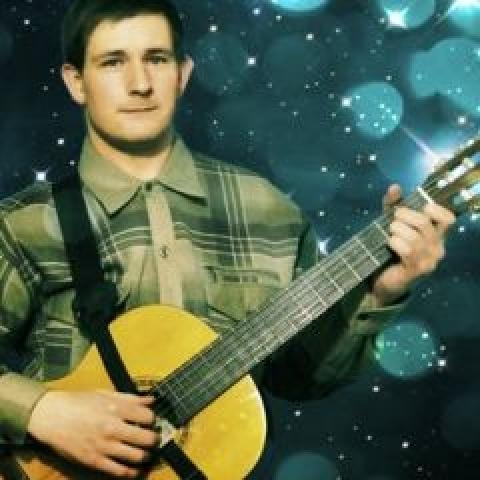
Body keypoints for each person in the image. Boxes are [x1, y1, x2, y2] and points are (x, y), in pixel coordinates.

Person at [0, 0, 455, 478]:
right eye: (113, 62)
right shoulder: (23, 223)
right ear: (76, 81)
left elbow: (301, 377)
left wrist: (380, 292)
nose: (140, 83)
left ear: (183, 74)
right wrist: (41, 412)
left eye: (157, 59)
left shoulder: (268, 212)